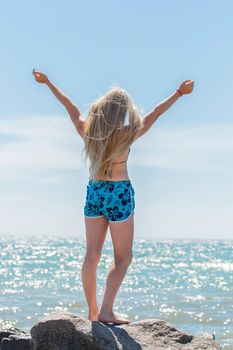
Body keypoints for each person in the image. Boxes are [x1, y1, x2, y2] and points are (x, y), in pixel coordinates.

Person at [32, 68, 194, 324]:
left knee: (91, 255)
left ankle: (93, 312)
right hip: (118, 194)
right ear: (122, 112)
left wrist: (48, 82)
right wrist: (179, 93)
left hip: (95, 191)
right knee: (123, 258)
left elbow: (69, 105)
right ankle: (106, 311)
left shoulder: (87, 130)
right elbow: (156, 113)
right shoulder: (127, 133)